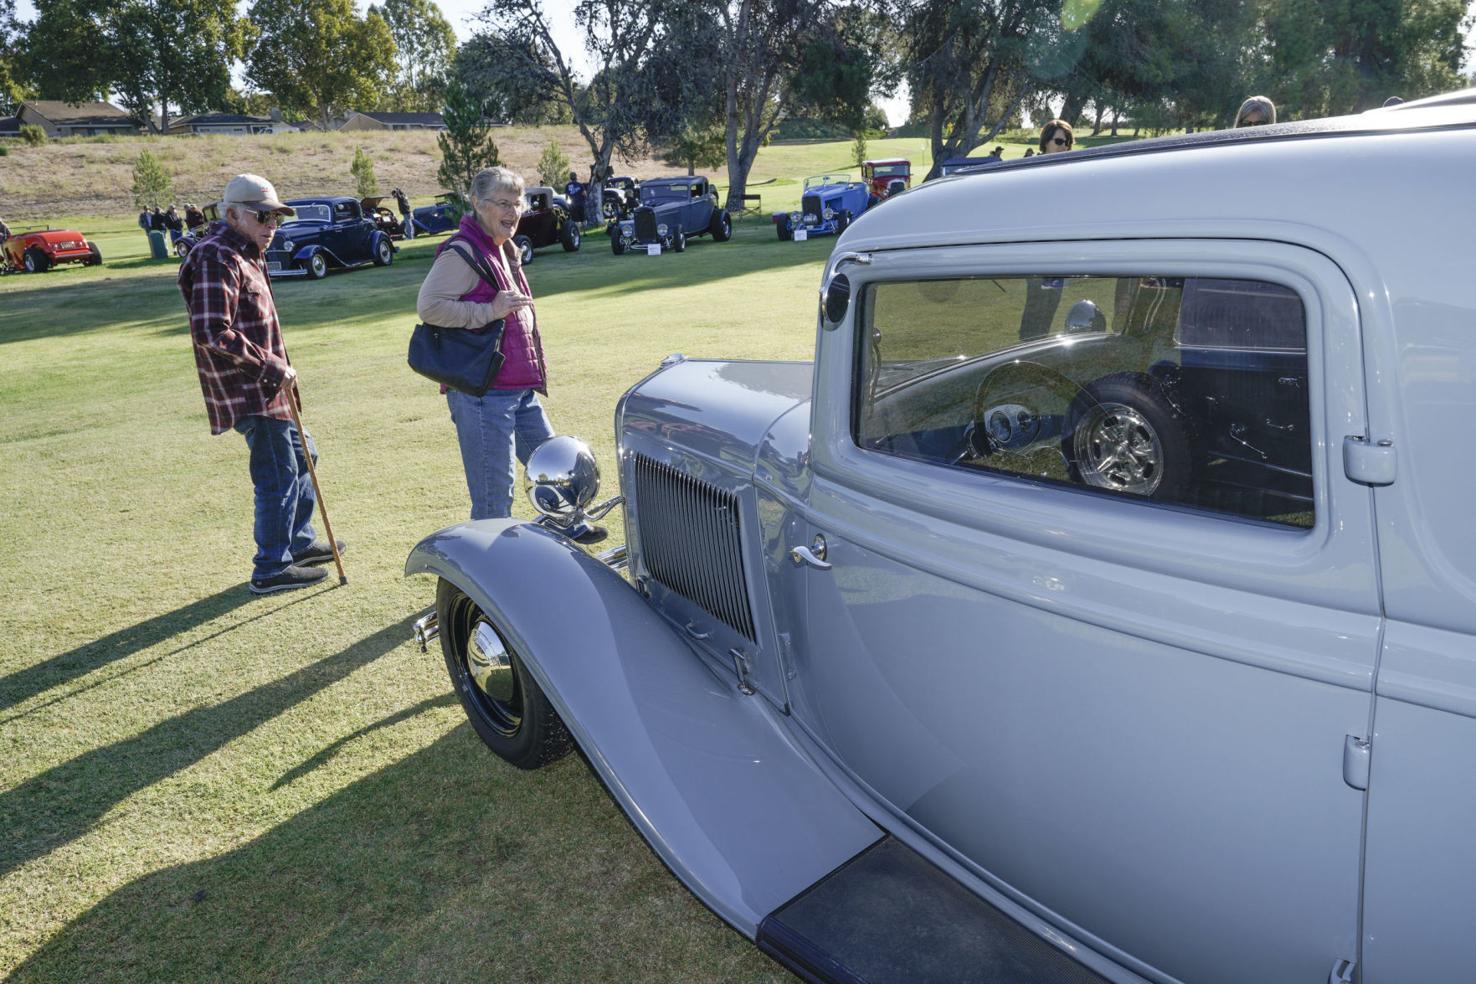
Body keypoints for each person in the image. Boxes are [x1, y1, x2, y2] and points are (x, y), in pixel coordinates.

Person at [416, 166, 605, 541]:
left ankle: (567, 525)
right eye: (503, 203)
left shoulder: (504, 248)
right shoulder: (463, 252)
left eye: (518, 204)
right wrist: (489, 311)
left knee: (553, 467)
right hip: (484, 392)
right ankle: (491, 568)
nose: (513, 212)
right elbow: (429, 307)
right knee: (494, 499)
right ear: (477, 203)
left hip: (516, 385)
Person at [179, 174, 343, 594]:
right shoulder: (217, 256)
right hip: (250, 389)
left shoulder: (247, 252)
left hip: (269, 387)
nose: (271, 225)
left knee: (304, 455)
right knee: (277, 474)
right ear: (232, 215)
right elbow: (212, 331)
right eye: (262, 216)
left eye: (276, 218)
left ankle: (298, 544)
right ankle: (271, 567)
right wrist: (272, 367)